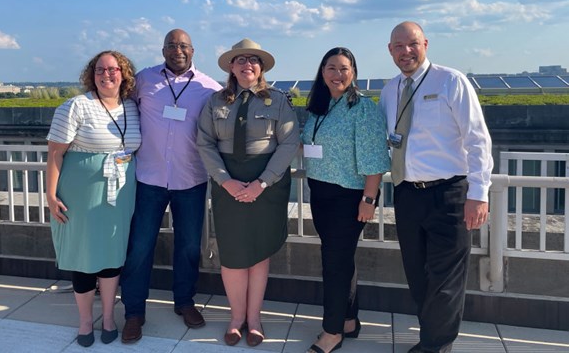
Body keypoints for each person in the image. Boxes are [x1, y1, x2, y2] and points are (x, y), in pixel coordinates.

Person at [379, 21, 493, 353]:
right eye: (398, 46)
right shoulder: (390, 90)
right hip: (407, 193)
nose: (406, 51)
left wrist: (478, 193)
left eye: (412, 44)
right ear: (390, 51)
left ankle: (434, 346)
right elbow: (382, 140)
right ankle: (432, 336)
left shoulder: (450, 81)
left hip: (449, 194)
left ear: (425, 44)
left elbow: (477, 140)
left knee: (446, 280)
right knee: (418, 275)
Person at [120, 29, 222, 343]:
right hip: (148, 179)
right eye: (171, 45)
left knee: (190, 246)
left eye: (183, 46)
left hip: (190, 179)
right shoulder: (144, 79)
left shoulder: (209, 87)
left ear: (193, 50)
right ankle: (134, 311)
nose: (177, 50)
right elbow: (117, 106)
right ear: (163, 50)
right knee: (139, 247)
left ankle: (185, 302)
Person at [197, 38, 300, 348]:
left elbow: (289, 143)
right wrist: (225, 181)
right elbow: (205, 142)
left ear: (261, 67)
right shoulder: (216, 102)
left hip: (266, 187)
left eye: (253, 60)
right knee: (232, 255)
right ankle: (235, 318)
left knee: (257, 254)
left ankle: (254, 320)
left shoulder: (279, 101)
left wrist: (262, 182)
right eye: (240, 60)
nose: (247, 65)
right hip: (228, 185)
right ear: (231, 66)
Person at [46, 50, 141, 347]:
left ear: (123, 74)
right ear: (92, 74)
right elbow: (55, 153)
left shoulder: (132, 107)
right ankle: (86, 321)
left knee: (113, 255)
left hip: (121, 192)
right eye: (100, 69)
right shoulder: (75, 106)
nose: (106, 75)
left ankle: (110, 317)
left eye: (113, 69)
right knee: (85, 256)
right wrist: (50, 194)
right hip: (82, 192)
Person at [301, 47, 390, 353]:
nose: (337, 74)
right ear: (321, 71)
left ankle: (332, 332)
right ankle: (349, 320)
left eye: (343, 68)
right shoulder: (318, 107)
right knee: (341, 260)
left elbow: (376, 158)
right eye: (331, 68)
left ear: (354, 72)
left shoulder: (363, 108)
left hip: (349, 196)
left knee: (334, 264)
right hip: (320, 193)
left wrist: (369, 198)